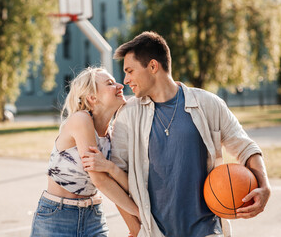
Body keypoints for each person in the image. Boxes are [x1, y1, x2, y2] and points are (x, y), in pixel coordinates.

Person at [106, 31, 271, 237]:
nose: (126, 79)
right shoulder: (127, 115)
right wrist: (135, 227)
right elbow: (116, 176)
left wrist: (264, 186)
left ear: (153, 66)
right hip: (155, 232)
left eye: (130, 71)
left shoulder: (208, 104)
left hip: (207, 230)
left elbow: (246, 147)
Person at [30, 67, 140, 236]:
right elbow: (100, 180)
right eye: (110, 83)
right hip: (57, 217)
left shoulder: (112, 134)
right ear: (92, 98)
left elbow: (120, 186)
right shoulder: (81, 119)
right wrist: (141, 214)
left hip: (93, 216)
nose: (120, 85)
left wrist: (135, 227)